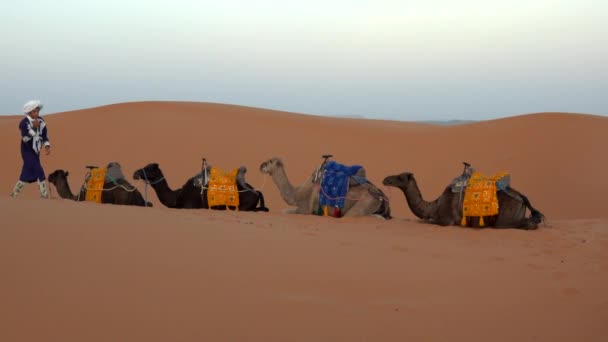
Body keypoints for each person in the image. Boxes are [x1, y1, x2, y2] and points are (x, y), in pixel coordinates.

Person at [9, 100, 51, 198]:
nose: (37, 113)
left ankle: (14, 194)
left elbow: (44, 135)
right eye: (34, 111)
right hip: (27, 151)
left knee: (26, 172)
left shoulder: (42, 121)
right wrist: (35, 128)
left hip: (36, 151)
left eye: (38, 111)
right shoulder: (24, 123)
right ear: (29, 112)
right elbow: (25, 138)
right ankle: (44, 195)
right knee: (39, 170)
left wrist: (47, 145)